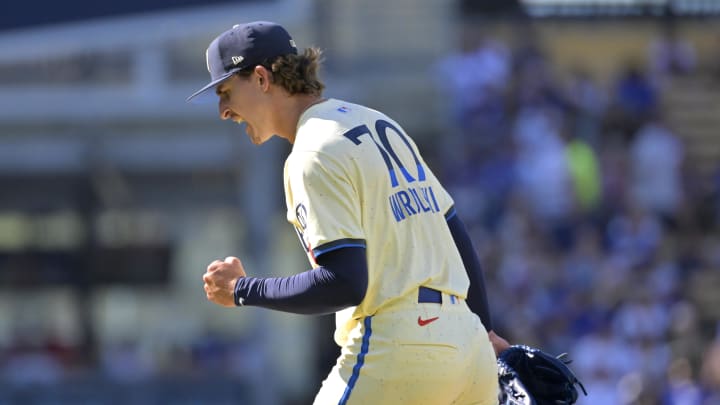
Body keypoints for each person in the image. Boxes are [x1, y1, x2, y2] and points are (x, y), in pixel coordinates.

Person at [190, 21, 509, 405]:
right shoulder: (374, 120)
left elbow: (344, 282)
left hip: (401, 345)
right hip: (467, 345)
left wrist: (244, 290)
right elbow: (453, 228)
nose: (223, 110)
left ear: (260, 78)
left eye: (225, 92)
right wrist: (485, 331)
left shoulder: (311, 153)